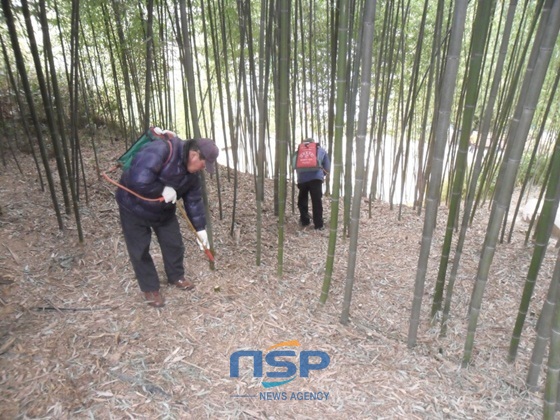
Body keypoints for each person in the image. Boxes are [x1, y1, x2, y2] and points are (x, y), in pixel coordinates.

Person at [115, 130, 219, 308]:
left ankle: (176, 276)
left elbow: (193, 201)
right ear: (194, 155)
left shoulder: (193, 176)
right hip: (133, 206)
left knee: (174, 243)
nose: (203, 169)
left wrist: (200, 229)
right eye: (203, 164)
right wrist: (161, 189)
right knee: (139, 248)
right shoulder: (161, 150)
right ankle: (150, 288)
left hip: (163, 210)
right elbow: (137, 180)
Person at [293, 138, 331, 230]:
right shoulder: (320, 150)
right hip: (316, 179)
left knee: (302, 200)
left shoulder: (299, 151)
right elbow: (327, 167)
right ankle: (318, 225)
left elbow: (294, 165)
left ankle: (304, 221)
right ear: (313, 143)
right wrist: (322, 175)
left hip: (302, 179)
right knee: (316, 201)